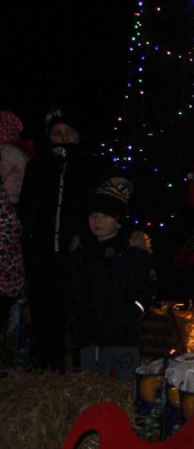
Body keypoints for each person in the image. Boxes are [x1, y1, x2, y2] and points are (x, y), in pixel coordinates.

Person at [20, 108, 105, 371]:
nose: (63, 138)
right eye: (57, 133)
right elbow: (26, 206)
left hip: (80, 253)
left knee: (81, 315)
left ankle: (84, 373)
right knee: (45, 315)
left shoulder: (92, 165)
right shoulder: (37, 165)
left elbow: (102, 205)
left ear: (79, 135)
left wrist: (86, 237)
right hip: (42, 253)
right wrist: (31, 239)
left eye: (69, 132)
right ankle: (48, 371)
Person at [65, 177, 156, 380]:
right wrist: (75, 315)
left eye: (105, 216)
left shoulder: (133, 252)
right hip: (88, 335)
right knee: (89, 386)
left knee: (123, 386)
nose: (97, 221)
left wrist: (135, 309)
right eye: (94, 215)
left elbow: (147, 288)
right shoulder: (81, 252)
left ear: (118, 219)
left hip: (123, 336)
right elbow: (72, 287)